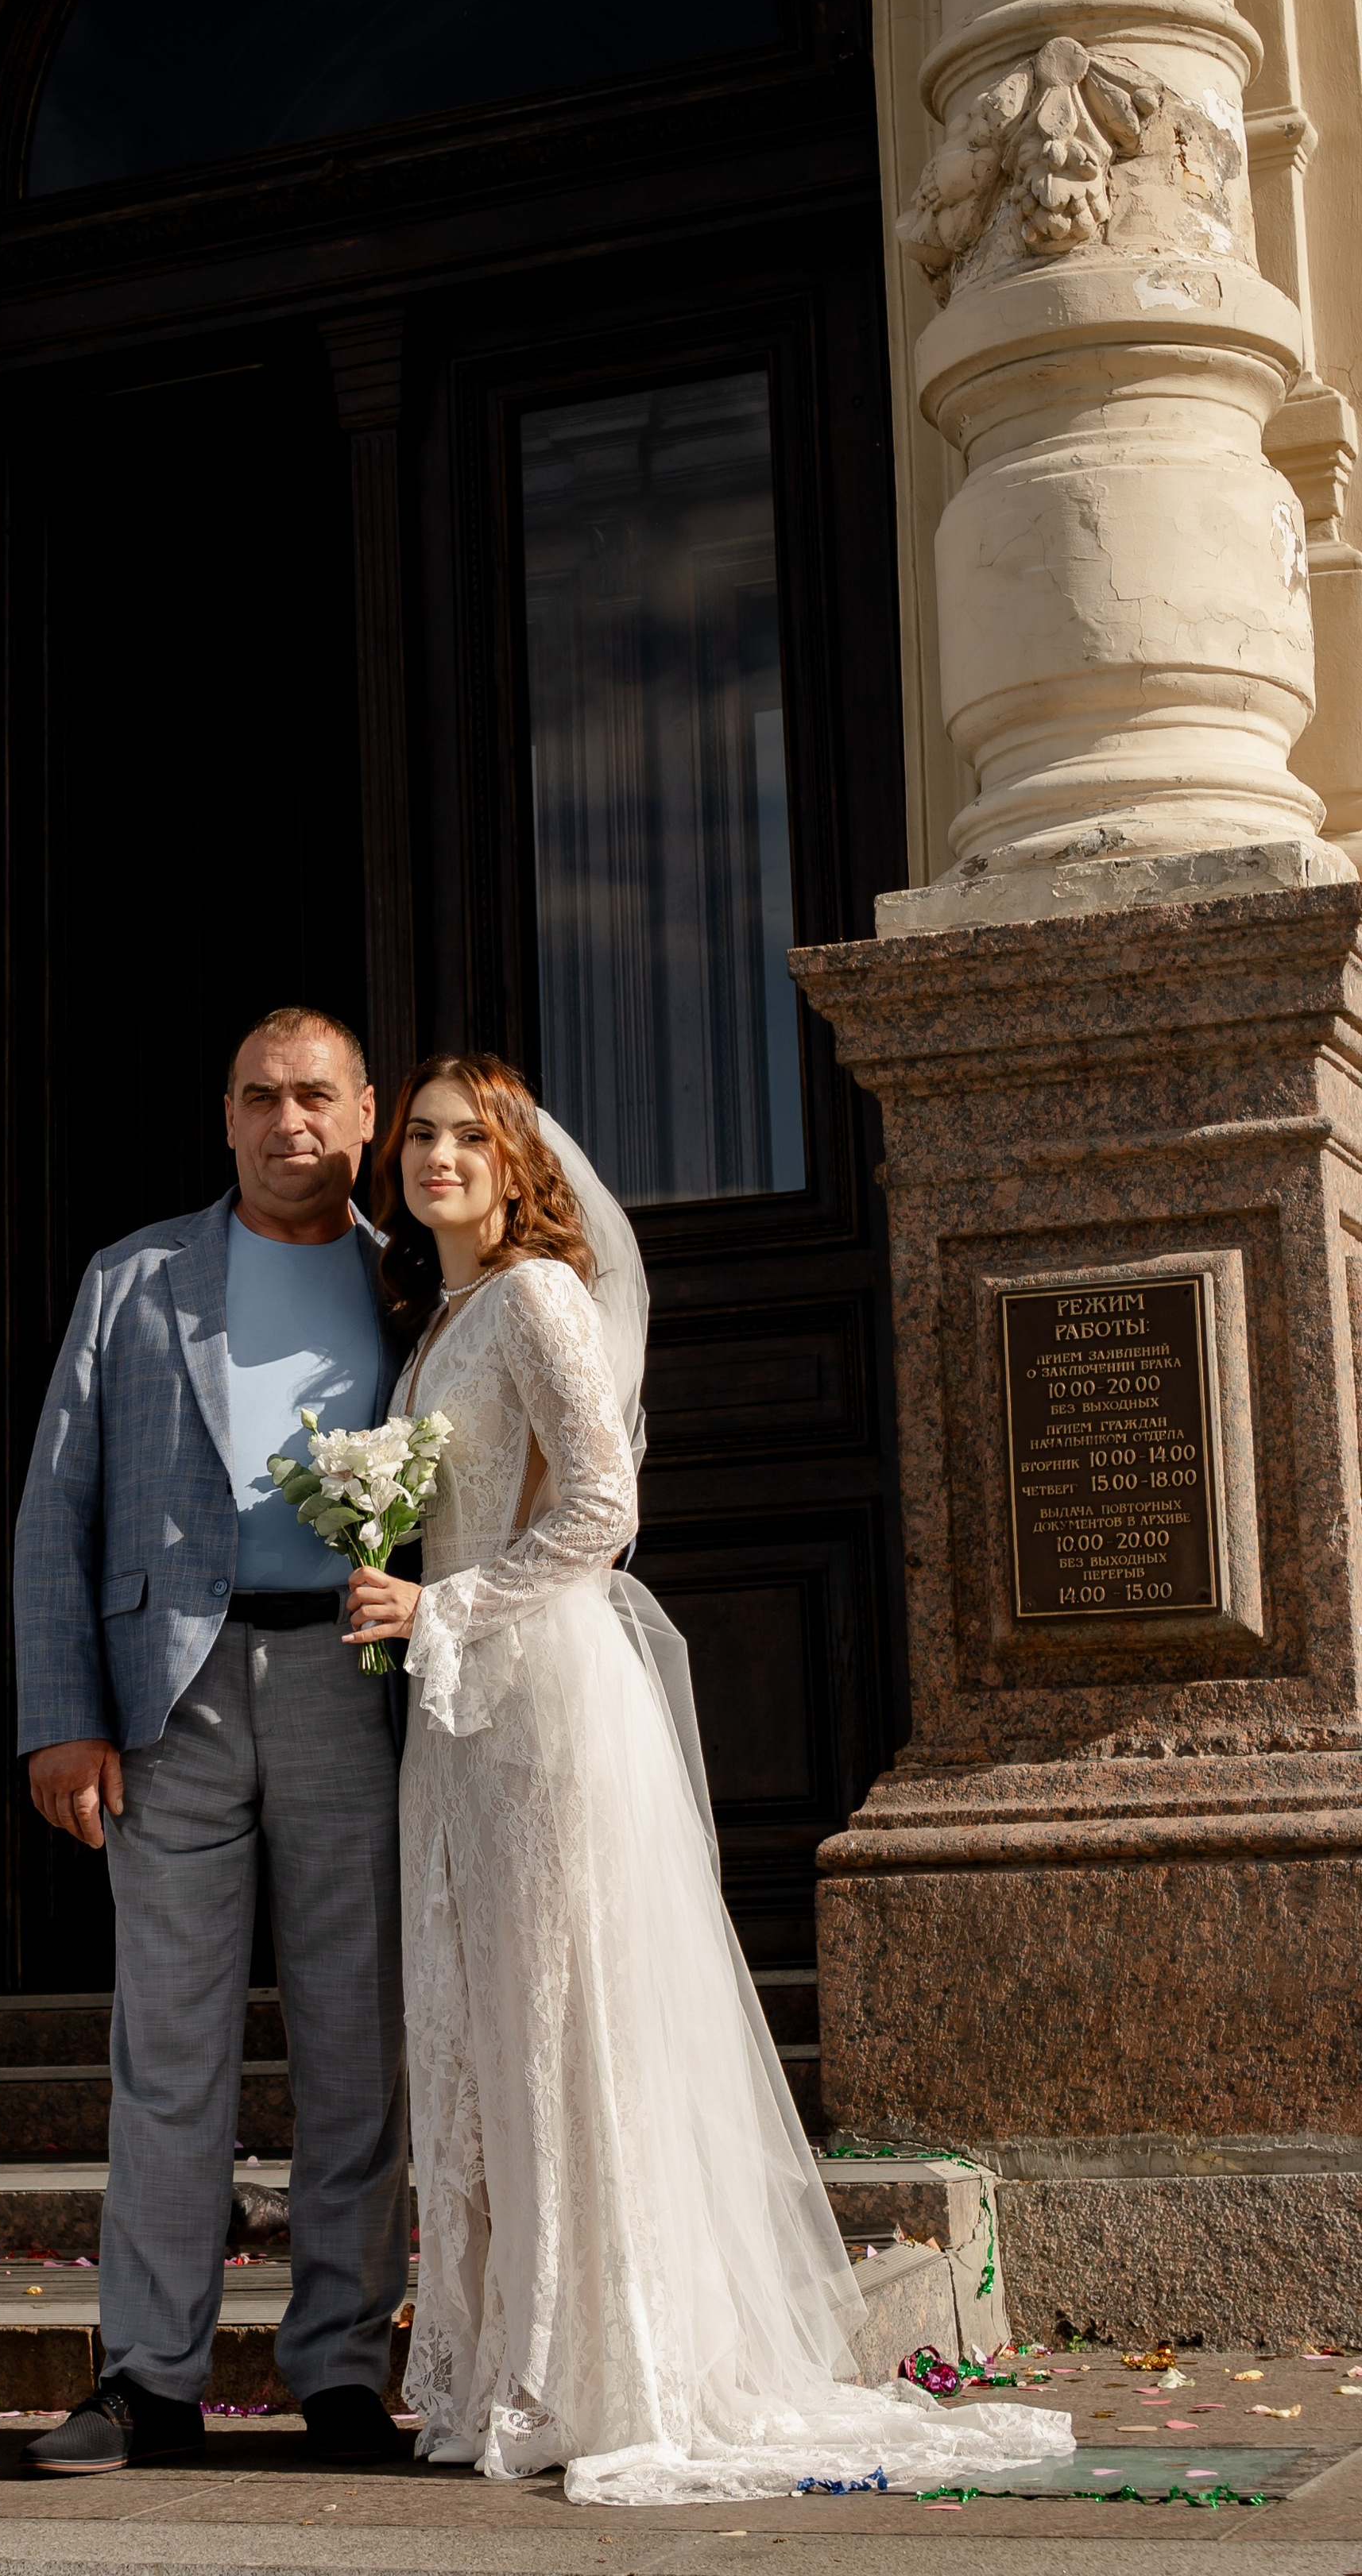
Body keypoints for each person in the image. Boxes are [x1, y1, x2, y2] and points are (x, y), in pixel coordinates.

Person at [343, 1053, 1073, 2504]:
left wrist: (450, 1608)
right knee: (488, 2021)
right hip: (459, 1721)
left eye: (465, 1136)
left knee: (564, 2017)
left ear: (514, 1162)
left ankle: (608, 2367)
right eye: (418, 1135)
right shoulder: (435, 1325)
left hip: (542, 1701)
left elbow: (604, 1512)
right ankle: (511, 2363)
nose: (435, 1156)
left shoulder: (540, 1296)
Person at [14, 1008, 414, 2476]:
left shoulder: (414, 1284)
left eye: (315, 1096)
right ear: (226, 1114)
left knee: (357, 2048)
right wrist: (63, 1718)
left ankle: (343, 2373)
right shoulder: (135, 1279)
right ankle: (147, 2381)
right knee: (167, 2050)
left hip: (352, 1691)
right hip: (169, 1698)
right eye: (259, 1096)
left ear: (367, 1115)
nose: (286, 1121)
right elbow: (56, 1508)